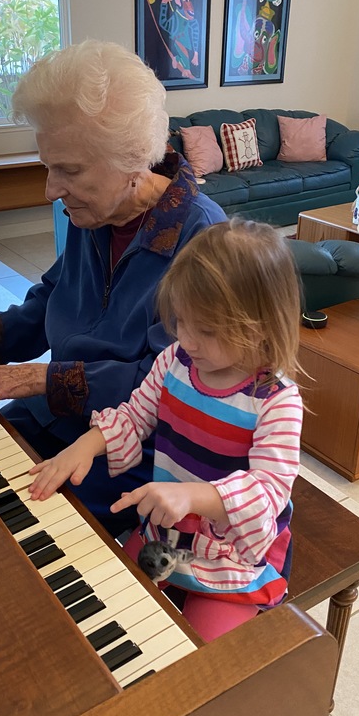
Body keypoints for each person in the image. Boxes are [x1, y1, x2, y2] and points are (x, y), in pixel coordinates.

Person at [0, 40, 226, 536]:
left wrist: (36, 379)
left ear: (132, 160)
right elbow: (55, 294)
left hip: (131, 451)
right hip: (56, 415)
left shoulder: (204, 242)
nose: (50, 189)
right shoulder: (96, 212)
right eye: (49, 165)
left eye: (68, 170)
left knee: (11, 533)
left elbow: (174, 386)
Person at [28, 219, 303, 641]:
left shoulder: (275, 401)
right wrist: (87, 443)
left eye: (207, 331)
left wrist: (192, 495)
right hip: (166, 531)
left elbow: (267, 493)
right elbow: (137, 415)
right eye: (182, 321)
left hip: (230, 553)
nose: (187, 340)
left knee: (200, 658)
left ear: (261, 326)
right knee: (107, 604)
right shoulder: (175, 362)